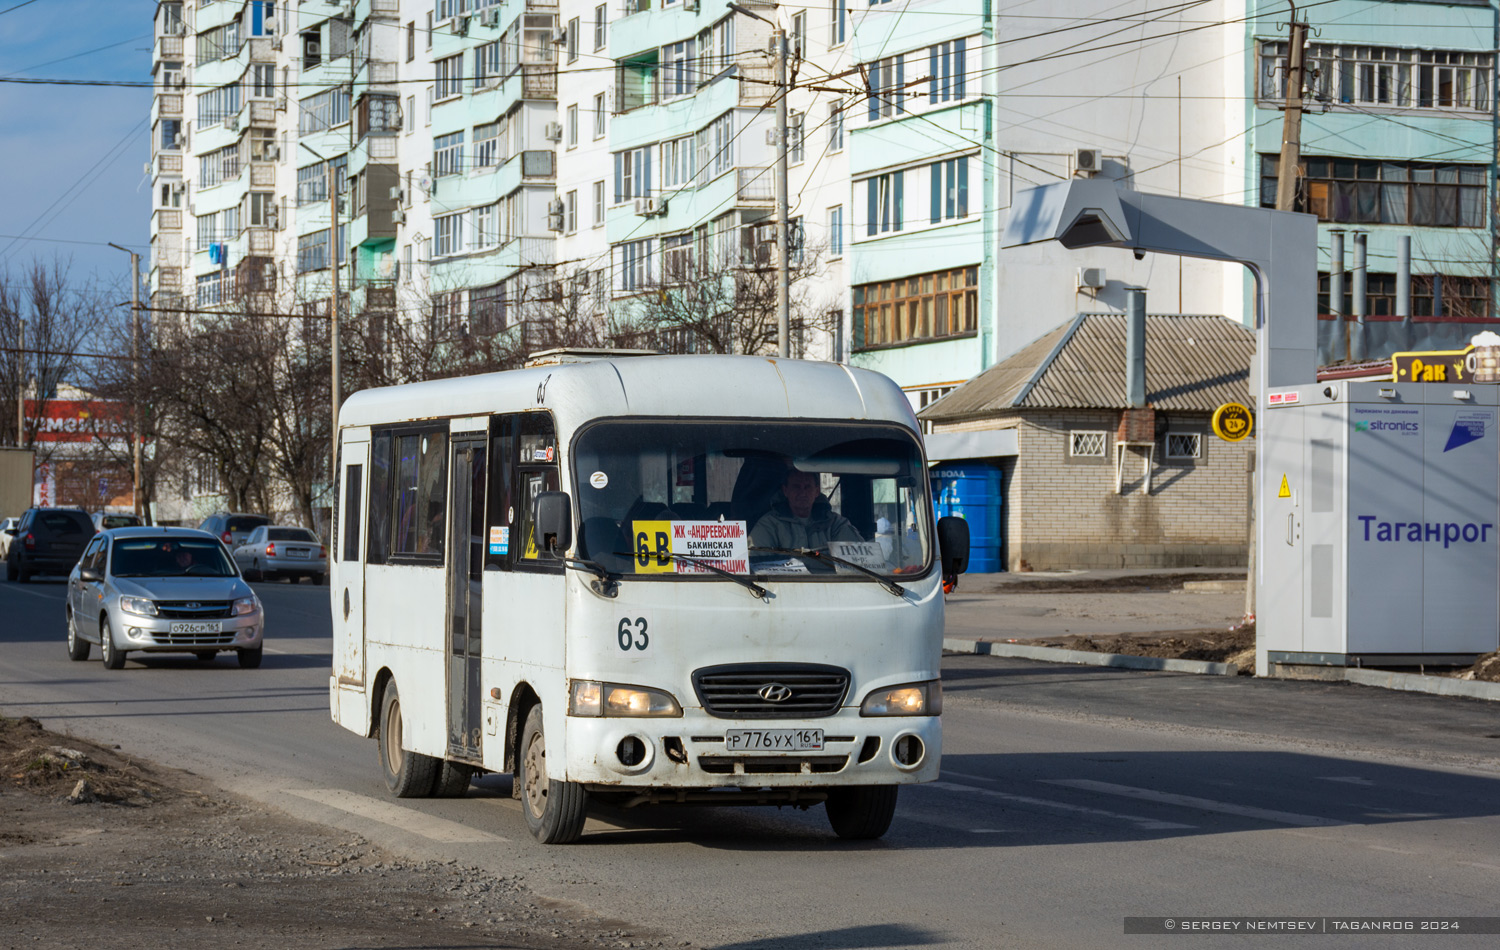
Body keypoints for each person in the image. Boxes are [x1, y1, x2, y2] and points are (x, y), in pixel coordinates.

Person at [750, 469, 863, 551]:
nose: (802, 493)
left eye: (807, 487)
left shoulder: (835, 524)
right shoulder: (769, 525)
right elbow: (756, 563)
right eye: (796, 486)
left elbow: (860, 560)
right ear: (785, 491)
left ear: (817, 491)